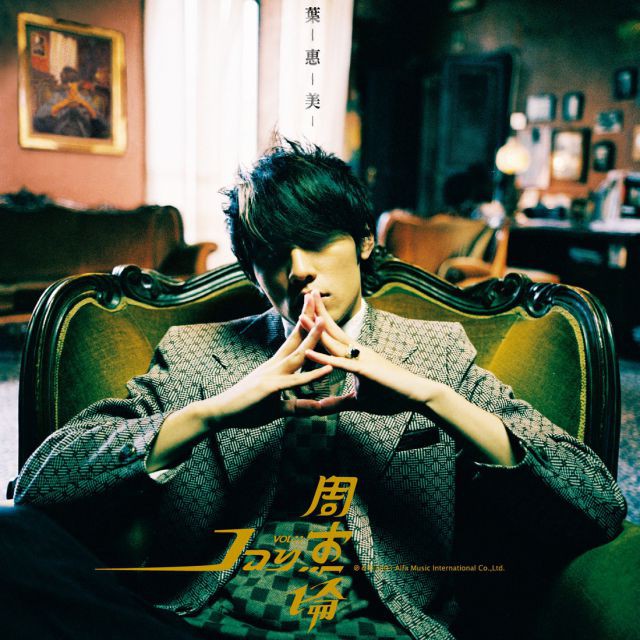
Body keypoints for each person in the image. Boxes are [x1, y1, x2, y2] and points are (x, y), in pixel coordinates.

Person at [4, 141, 626, 639]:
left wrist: (434, 399)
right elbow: (38, 485)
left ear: (363, 242)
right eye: (274, 252)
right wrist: (214, 412)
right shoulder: (197, 353)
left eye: (319, 241)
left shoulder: (437, 353)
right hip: (200, 621)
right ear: (252, 271)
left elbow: (597, 502)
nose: (299, 268)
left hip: (377, 624)